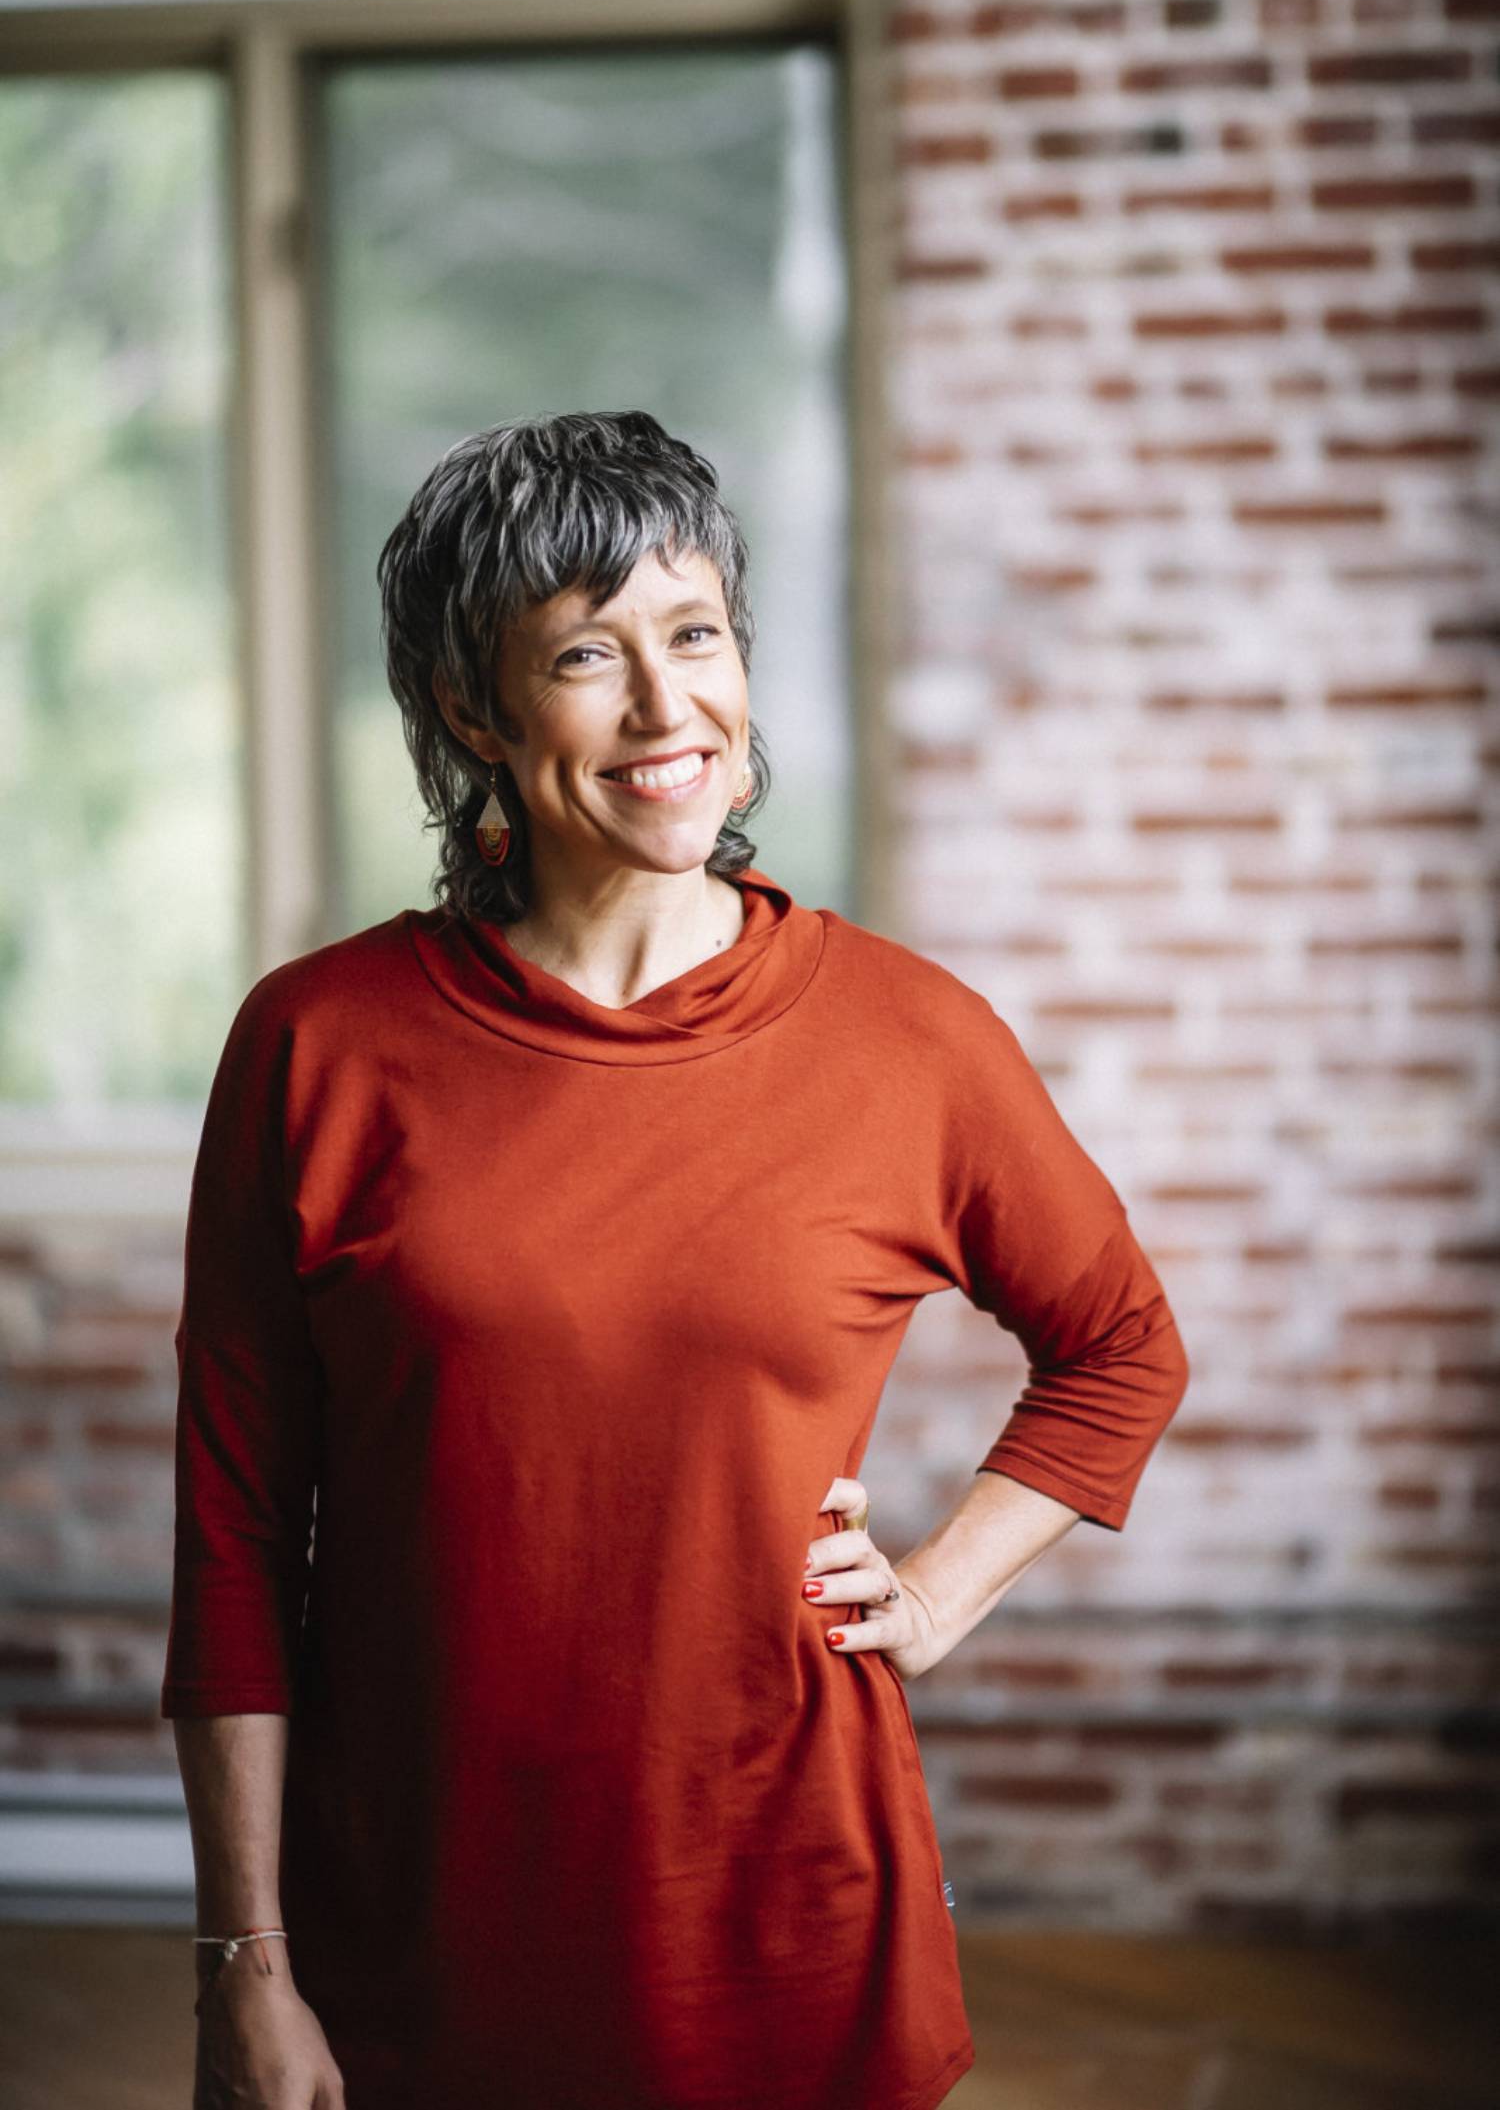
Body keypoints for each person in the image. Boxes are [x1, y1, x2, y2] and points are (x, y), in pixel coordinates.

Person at [162, 408, 1190, 2110]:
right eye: (586, 652)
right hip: (406, 1938)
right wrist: (242, 1962)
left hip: (791, 1920)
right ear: (469, 709)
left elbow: (1122, 1344)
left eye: (694, 634)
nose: (666, 709)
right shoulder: (315, 1045)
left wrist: (936, 1589)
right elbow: (233, 1537)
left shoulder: (909, 1039)